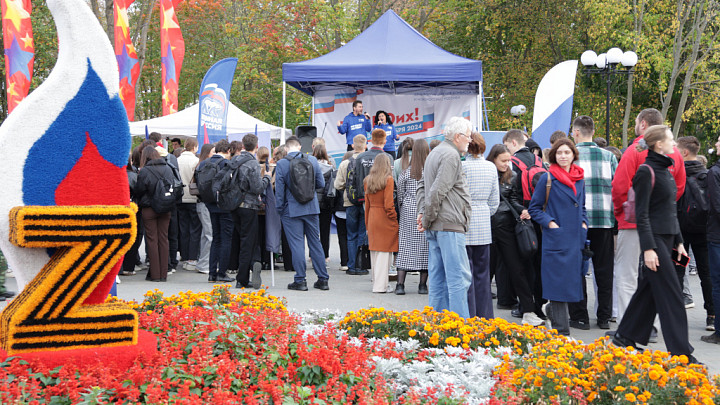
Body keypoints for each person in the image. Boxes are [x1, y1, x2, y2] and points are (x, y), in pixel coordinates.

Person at [612, 125, 698, 364]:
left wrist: (679, 242)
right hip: (655, 241)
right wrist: (648, 248)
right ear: (658, 144)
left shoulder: (666, 171)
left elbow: (670, 211)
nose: (674, 143)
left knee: (647, 292)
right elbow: (642, 214)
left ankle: (624, 336)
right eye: (670, 139)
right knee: (672, 296)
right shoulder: (646, 171)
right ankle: (682, 353)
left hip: (667, 238)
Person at [611, 109, 686, 329]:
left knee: (627, 275)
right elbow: (677, 188)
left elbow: (620, 186)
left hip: (633, 221)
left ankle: (629, 326)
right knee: (654, 275)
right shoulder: (675, 154)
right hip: (660, 226)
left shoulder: (635, 151)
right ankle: (648, 324)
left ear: (643, 124)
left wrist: (621, 213)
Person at [528, 138, 588, 336]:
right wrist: (551, 223)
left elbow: (583, 206)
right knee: (558, 285)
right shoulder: (547, 179)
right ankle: (562, 331)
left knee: (571, 283)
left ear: (573, 155)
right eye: (559, 153)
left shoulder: (580, 179)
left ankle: (552, 311)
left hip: (575, 238)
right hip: (557, 238)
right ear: (554, 155)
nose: (563, 156)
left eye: (567, 152)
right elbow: (534, 209)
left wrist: (584, 223)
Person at [416, 117, 472, 318]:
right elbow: (437, 190)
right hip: (448, 225)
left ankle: (436, 325)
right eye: (468, 136)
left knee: (439, 279)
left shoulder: (436, 152)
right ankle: (460, 330)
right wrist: (426, 217)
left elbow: (423, 186)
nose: (470, 140)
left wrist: (423, 214)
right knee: (458, 279)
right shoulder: (450, 155)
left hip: (439, 225)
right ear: (458, 137)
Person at [569, 116, 617, 330]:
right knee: (604, 271)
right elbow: (618, 188)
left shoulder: (571, 157)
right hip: (604, 220)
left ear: (577, 132)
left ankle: (580, 316)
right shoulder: (608, 157)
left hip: (578, 222)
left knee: (578, 270)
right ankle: (605, 316)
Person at [487, 144, 543, 326]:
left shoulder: (512, 176)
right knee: (484, 269)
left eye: (508, 160)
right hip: (486, 226)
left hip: (505, 226)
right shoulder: (487, 173)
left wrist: (522, 210)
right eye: (503, 161)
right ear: (493, 159)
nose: (506, 164)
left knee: (516, 268)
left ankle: (528, 309)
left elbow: (513, 199)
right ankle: (476, 310)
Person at [275, 136, 330, 291]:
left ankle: (300, 280)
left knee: (297, 244)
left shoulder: (282, 164)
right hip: (311, 207)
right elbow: (321, 184)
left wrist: (280, 209)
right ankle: (323, 279)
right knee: (315, 243)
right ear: (299, 147)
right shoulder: (312, 161)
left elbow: (279, 192)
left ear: (286, 148)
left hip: (291, 210)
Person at [676, 136, 714, 331]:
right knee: (706, 273)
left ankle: (675, 315)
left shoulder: (677, 174)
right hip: (703, 232)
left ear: (684, 152)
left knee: (678, 270)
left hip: (680, 234)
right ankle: (712, 314)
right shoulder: (708, 175)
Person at [463, 132, 499, 319]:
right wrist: (485, 211)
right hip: (484, 221)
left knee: (466, 273)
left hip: (465, 220)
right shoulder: (491, 167)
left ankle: (469, 313)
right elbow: (495, 201)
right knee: (483, 273)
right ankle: (485, 315)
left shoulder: (462, 167)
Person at [231, 134, 271, 289]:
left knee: (242, 239)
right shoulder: (252, 163)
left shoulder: (235, 160)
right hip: (249, 206)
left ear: (242, 145)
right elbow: (257, 188)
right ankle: (242, 278)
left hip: (234, 205)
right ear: (256, 146)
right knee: (248, 241)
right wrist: (266, 178)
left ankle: (254, 262)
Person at [134, 146, 176, 282]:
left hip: (149, 208)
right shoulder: (168, 168)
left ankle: (155, 274)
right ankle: (164, 273)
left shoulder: (145, 170)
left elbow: (139, 190)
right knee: (164, 239)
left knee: (152, 240)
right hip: (166, 207)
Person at [197, 140, 234, 283]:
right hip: (224, 204)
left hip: (209, 203)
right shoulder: (225, 164)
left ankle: (212, 272)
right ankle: (222, 272)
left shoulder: (203, 164)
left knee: (216, 237)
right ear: (228, 150)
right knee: (226, 238)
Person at [396, 139, 430, 295]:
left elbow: (400, 193)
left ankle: (400, 285)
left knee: (405, 246)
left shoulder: (406, 172)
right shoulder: (430, 172)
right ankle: (422, 286)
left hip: (408, 210)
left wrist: (402, 206)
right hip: (424, 210)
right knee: (424, 248)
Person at [364, 153, 399, 293]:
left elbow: (366, 205)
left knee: (375, 252)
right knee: (385, 254)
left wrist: (367, 222)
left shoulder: (367, 180)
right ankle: (380, 286)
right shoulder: (388, 180)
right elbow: (389, 204)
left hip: (372, 216)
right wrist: (394, 218)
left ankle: (377, 283)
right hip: (384, 217)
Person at [335, 135, 367, 274]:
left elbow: (338, 185)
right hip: (366, 202)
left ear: (353, 146)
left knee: (351, 234)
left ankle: (352, 265)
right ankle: (361, 265)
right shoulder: (369, 161)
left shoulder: (344, 163)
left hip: (350, 202)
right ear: (365, 145)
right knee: (362, 233)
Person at [703, 134, 720, 344]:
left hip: (717, 236)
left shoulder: (715, 172)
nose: (715, 143)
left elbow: (716, 206)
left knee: (717, 283)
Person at [177, 137, 201, 271]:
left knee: (183, 229)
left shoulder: (177, 160)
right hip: (193, 197)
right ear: (195, 147)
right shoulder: (196, 161)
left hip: (180, 198)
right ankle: (192, 258)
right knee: (195, 229)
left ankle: (185, 256)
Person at [313, 143, 336, 263]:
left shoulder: (311, 167)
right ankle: (325, 255)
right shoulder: (331, 167)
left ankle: (313, 256)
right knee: (325, 231)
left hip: (313, 202)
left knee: (313, 231)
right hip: (327, 203)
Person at [194, 144, 215, 275]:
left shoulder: (199, 166)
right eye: (213, 151)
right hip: (204, 203)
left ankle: (203, 262)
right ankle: (203, 263)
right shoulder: (203, 167)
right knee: (209, 235)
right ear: (207, 153)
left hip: (201, 203)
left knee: (206, 234)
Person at [334, 151, 354, 272]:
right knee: (353, 235)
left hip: (339, 209)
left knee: (342, 236)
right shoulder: (357, 169)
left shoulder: (338, 172)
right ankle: (355, 261)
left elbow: (336, 189)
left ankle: (344, 261)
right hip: (352, 206)